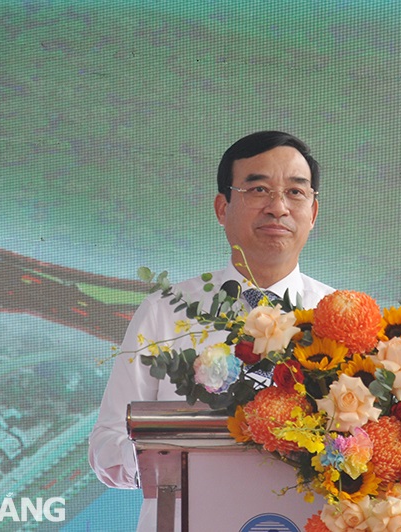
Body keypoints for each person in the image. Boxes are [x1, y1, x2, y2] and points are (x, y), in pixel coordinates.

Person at [88, 130, 334, 530]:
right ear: (223, 207)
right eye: (258, 189)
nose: (278, 208)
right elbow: (107, 449)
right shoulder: (165, 313)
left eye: (294, 192)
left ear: (313, 212)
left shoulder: (340, 319)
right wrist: (175, 462)